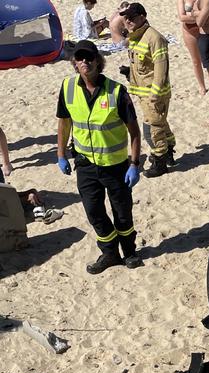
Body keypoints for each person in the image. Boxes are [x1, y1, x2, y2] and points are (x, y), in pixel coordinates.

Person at [56, 40, 143, 274]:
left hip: (116, 166)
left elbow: (134, 132)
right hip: (85, 165)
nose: (85, 61)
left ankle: (130, 251)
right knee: (94, 212)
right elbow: (64, 123)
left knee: (122, 212)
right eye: (80, 58)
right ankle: (109, 252)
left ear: (98, 60)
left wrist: (134, 164)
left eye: (89, 57)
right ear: (74, 62)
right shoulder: (67, 88)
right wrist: (61, 154)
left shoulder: (117, 91)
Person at [120, 3, 176, 177]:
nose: (127, 21)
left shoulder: (154, 38)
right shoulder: (136, 37)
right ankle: (168, 153)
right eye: (126, 18)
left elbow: (161, 69)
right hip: (143, 92)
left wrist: (155, 95)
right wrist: (129, 72)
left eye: (132, 18)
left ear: (142, 17)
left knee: (152, 129)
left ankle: (159, 162)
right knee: (161, 124)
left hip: (153, 94)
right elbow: (142, 65)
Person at [177, 0, 208, 96]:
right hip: (189, 30)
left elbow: (208, 12)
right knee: (196, 61)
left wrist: (192, 16)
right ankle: (202, 86)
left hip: (204, 28)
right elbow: (182, 17)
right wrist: (198, 16)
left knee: (208, 59)